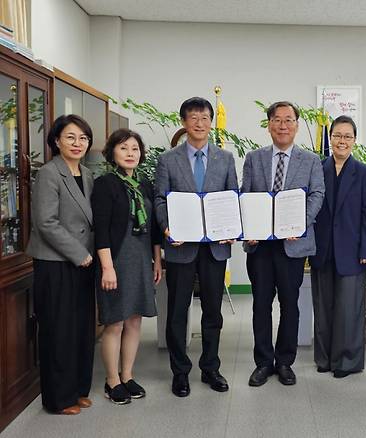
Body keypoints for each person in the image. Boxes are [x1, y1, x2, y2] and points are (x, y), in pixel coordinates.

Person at [154, 97, 238, 397]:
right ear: (184, 122)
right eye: (193, 117)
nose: (199, 123)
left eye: (204, 117)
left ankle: (210, 367)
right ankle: (180, 371)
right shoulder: (168, 160)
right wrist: (166, 227)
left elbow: (232, 197)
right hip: (181, 246)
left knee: (213, 311)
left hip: (215, 247)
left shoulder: (225, 159)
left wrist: (232, 229)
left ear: (211, 122)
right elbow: (160, 199)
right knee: (178, 310)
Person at [241, 101, 324, 387]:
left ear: (297, 126)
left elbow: (317, 195)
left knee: (291, 304)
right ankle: (263, 362)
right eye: (277, 120)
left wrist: (298, 224)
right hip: (261, 246)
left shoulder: (311, 160)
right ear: (269, 125)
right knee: (261, 305)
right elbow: (246, 196)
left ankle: (285, 361)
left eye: (289, 120)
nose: (283, 125)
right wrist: (248, 228)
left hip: (293, 244)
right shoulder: (254, 158)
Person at [27, 114, 95, 415]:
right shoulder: (48, 173)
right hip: (56, 262)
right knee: (59, 330)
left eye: (82, 138)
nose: (77, 143)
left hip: (85, 263)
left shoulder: (88, 174)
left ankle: (78, 390)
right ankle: (58, 399)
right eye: (70, 137)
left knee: (81, 328)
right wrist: (79, 253)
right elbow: (46, 223)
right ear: (56, 141)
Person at [91, 129, 163, 404]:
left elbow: (154, 229)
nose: (130, 153)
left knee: (134, 321)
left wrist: (157, 260)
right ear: (112, 153)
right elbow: (102, 230)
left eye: (135, 148)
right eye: (124, 148)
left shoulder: (144, 185)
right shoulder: (105, 184)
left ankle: (128, 375)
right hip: (116, 260)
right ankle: (112, 381)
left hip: (142, 260)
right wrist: (107, 268)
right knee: (115, 322)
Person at [309, 116, 366, 378]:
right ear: (330, 138)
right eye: (337, 135)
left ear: (354, 141)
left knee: (349, 309)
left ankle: (346, 361)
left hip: (352, 251)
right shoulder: (317, 168)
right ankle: (324, 358)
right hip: (322, 250)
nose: (342, 141)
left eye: (348, 136)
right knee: (323, 308)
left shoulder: (363, 173)